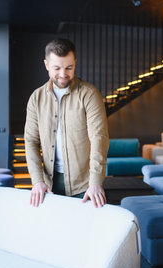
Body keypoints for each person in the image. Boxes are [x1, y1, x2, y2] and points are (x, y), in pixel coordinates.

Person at [24, 38, 109, 208]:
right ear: (46, 65)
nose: (63, 74)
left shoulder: (89, 94)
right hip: (48, 186)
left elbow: (99, 138)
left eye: (69, 67)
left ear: (75, 63)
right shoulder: (36, 98)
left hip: (84, 187)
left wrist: (95, 182)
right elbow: (31, 141)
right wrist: (37, 181)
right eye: (57, 68)